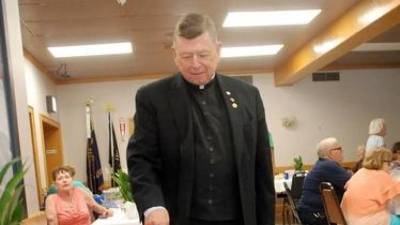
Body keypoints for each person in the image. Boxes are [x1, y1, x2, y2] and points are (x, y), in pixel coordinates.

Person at [126, 13, 275, 225]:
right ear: (174, 54)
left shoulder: (248, 96)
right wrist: (153, 206)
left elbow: (262, 167)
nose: (195, 64)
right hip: (181, 218)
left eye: (203, 54)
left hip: (240, 218)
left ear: (218, 50)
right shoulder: (152, 98)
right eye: (186, 57)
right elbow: (141, 160)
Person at [297, 137, 351, 225]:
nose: (342, 152)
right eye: (340, 149)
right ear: (331, 152)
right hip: (316, 216)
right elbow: (353, 183)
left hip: (309, 213)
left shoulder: (322, 164)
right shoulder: (329, 165)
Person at [341, 148, 400, 225]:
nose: (390, 166)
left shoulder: (360, 172)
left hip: (349, 218)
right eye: (389, 163)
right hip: (369, 220)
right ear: (382, 162)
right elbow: (397, 194)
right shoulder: (382, 175)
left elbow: (346, 186)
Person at [45, 166, 112, 225]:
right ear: (55, 184)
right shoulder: (51, 199)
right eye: (60, 178)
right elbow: (52, 221)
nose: (64, 180)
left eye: (67, 177)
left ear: (72, 180)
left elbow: (95, 206)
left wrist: (105, 211)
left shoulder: (80, 192)